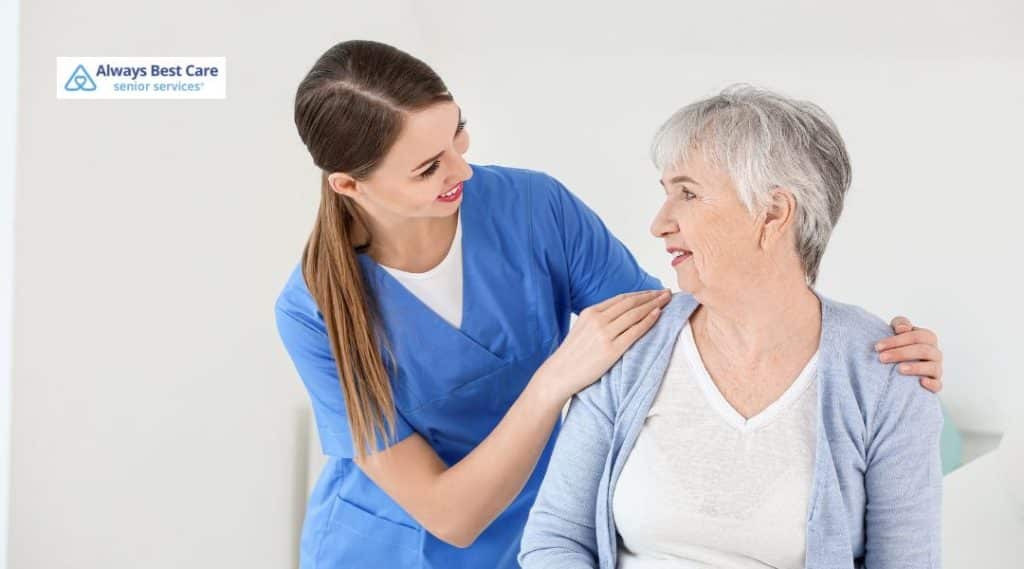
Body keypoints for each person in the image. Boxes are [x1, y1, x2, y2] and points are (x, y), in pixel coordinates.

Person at [274, 41, 944, 568]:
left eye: (459, 134)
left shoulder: (533, 210)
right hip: (387, 546)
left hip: (529, 533)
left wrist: (876, 355)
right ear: (349, 184)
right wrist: (553, 381)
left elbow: (672, 325)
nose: (463, 169)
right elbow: (449, 513)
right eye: (427, 168)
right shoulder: (314, 307)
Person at [519, 86, 943, 569]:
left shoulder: (888, 374)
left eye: (688, 194)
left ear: (773, 213)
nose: (659, 223)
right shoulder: (630, 343)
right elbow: (555, 539)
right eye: (667, 194)